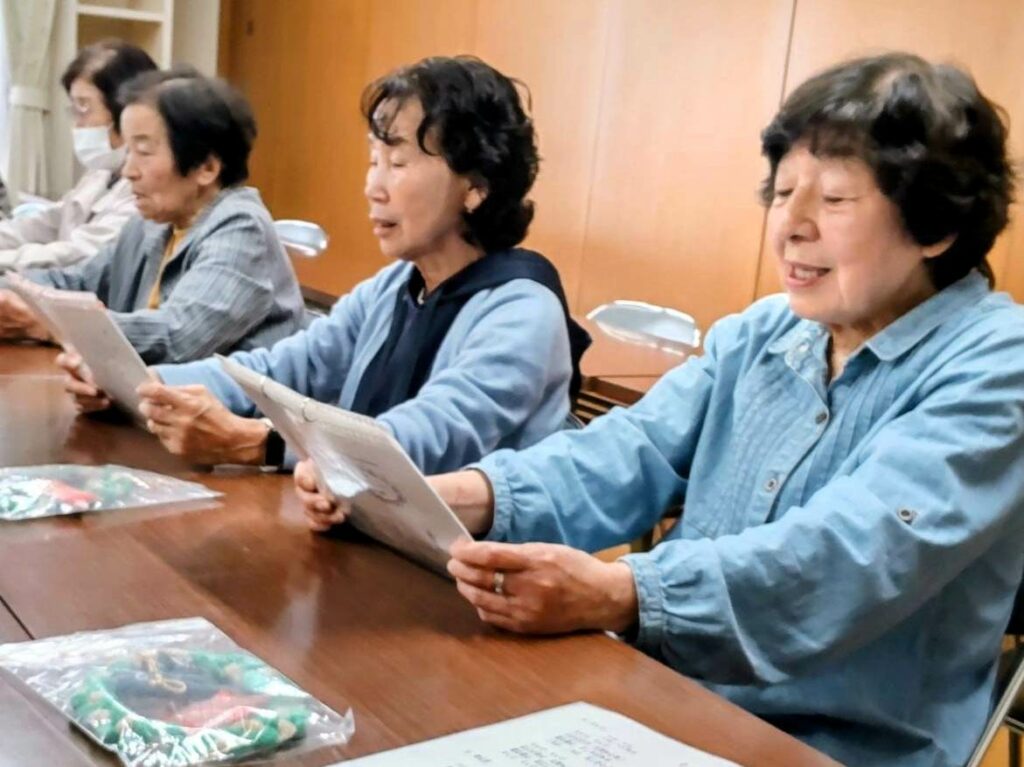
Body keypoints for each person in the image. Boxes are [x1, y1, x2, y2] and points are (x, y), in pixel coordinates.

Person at [298, 53, 1024, 766]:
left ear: (935, 225)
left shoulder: (996, 366)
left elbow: (847, 557)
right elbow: (629, 448)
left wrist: (623, 592)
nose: (790, 226)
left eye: (833, 200)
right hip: (666, 704)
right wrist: (446, 494)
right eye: (781, 193)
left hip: (833, 744)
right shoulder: (766, 332)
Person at [61, 56, 588, 477]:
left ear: (476, 185)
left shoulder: (522, 310)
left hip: (469, 569)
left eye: (397, 163)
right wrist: (136, 384)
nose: (373, 186)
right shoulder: (396, 286)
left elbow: (423, 438)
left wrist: (261, 444)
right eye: (373, 161)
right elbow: (280, 370)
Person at [0, 67, 304, 362]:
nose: (128, 171)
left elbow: (179, 335)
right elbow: (75, 281)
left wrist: (50, 325)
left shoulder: (241, 228)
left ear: (207, 168)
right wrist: (10, 292)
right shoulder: (151, 224)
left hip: (217, 398)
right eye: (128, 152)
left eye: (144, 152)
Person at [0, 40, 156, 270]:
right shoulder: (101, 172)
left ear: (125, 110)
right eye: (74, 110)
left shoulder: (148, 186)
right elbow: (49, 223)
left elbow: (82, 253)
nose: (78, 124)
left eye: (84, 108)